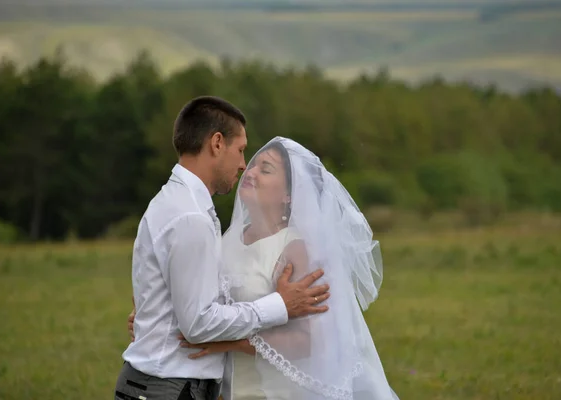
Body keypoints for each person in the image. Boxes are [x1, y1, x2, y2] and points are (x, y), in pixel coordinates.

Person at [150, 137, 400, 399]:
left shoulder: (295, 249)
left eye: (266, 169)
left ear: (288, 194)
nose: (251, 172)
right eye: (253, 165)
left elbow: (312, 341)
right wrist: (157, 314)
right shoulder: (224, 241)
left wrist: (229, 343)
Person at [115, 97, 330, 400]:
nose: (245, 166)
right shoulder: (191, 216)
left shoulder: (176, 203)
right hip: (170, 386)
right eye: (241, 151)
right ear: (217, 143)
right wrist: (280, 305)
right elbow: (199, 324)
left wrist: (154, 318)